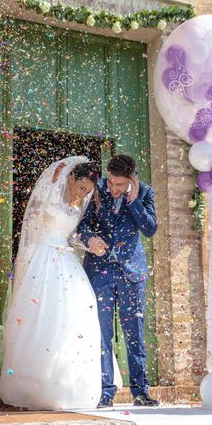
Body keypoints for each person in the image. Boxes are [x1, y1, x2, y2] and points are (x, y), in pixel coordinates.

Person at [0, 156, 102, 410]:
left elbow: (71, 235)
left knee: (74, 315)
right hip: (43, 258)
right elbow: (33, 224)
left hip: (66, 259)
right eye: (81, 188)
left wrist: (87, 243)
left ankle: (66, 383)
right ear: (70, 178)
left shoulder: (77, 206)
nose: (83, 194)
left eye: (88, 191)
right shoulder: (49, 195)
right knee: (41, 316)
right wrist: (51, 183)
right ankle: (32, 385)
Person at [77, 154, 159, 408]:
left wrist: (134, 201)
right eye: (111, 181)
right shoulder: (98, 189)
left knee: (134, 332)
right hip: (99, 271)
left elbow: (150, 228)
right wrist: (89, 239)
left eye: (120, 184)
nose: (113, 188)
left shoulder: (144, 193)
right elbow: (82, 224)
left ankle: (140, 391)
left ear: (132, 180)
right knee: (101, 333)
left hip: (131, 273)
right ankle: (105, 392)